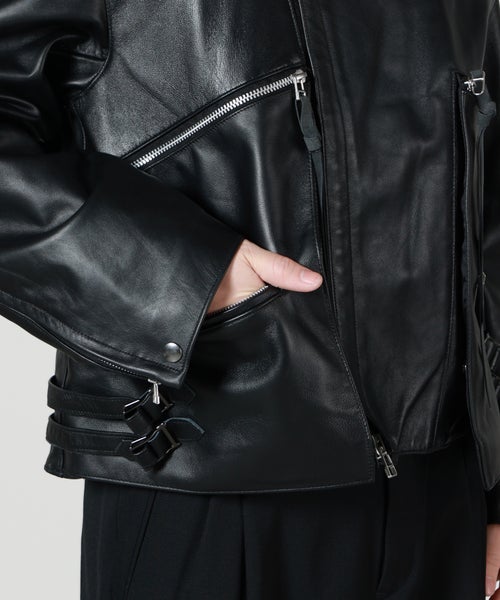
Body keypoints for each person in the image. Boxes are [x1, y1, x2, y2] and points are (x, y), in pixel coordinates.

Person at [2, 0, 500, 598]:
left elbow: (481, 158)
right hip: (206, 461)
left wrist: (495, 478)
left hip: (443, 481)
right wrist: (182, 279)